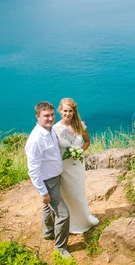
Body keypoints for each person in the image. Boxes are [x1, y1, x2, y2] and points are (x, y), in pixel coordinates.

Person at [25, 101, 72, 258]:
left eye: (52, 115)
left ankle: (47, 232)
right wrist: (43, 191)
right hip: (48, 182)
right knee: (63, 214)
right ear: (37, 117)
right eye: (46, 116)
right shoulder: (35, 140)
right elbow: (33, 170)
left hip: (55, 176)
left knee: (47, 207)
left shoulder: (49, 130)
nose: (51, 118)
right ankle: (60, 248)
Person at [52, 97, 99, 233]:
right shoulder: (55, 129)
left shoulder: (80, 125)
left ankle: (84, 220)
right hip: (64, 167)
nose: (68, 113)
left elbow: (87, 142)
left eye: (70, 111)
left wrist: (80, 151)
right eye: (65, 111)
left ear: (74, 111)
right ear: (60, 111)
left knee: (78, 193)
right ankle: (70, 223)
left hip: (77, 166)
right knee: (67, 194)